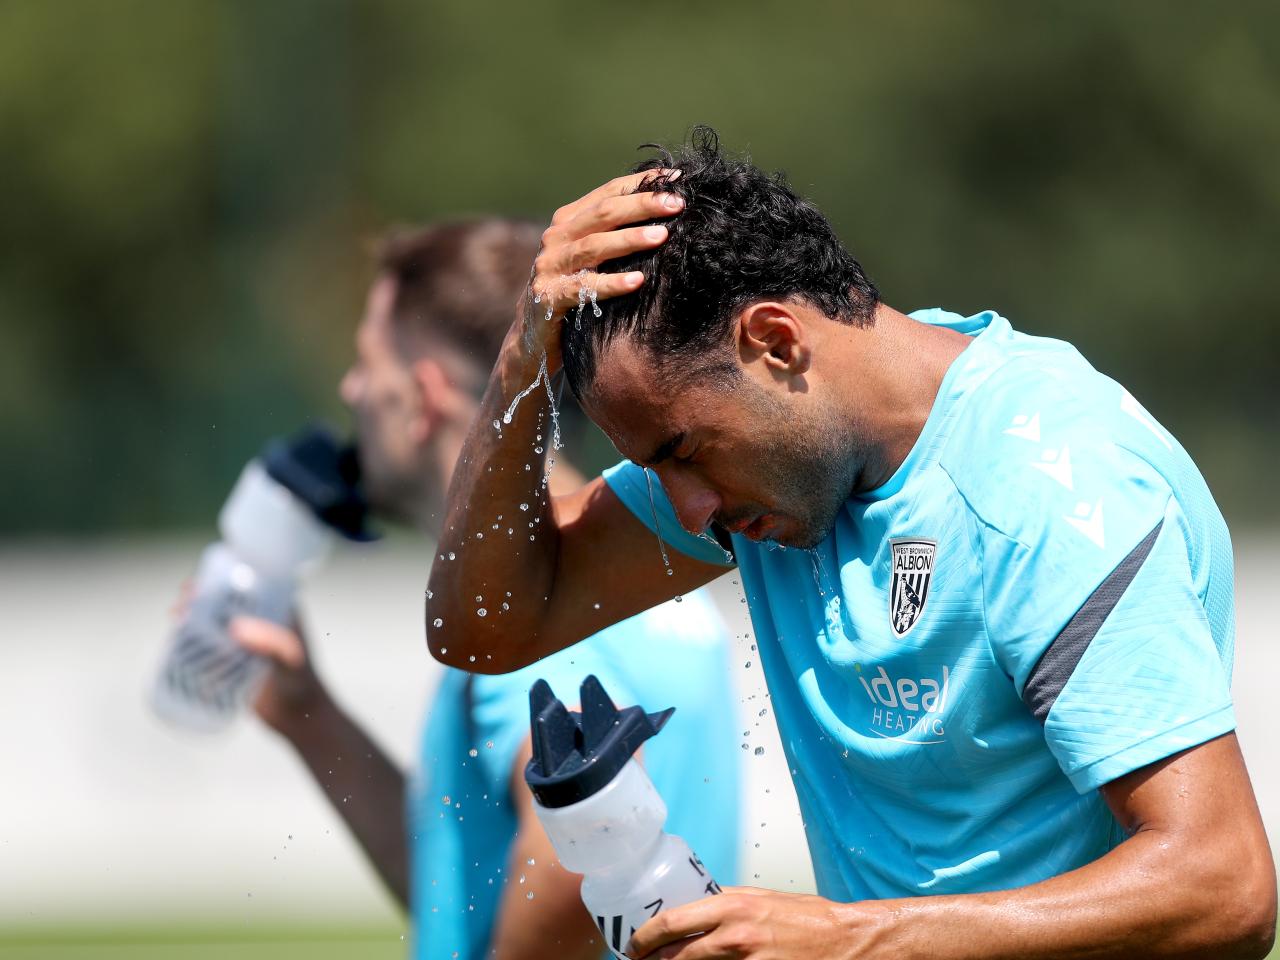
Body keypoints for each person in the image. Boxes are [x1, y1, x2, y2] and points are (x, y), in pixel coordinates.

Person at [426, 129, 1277, 959]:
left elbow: (1223, 886)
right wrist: (521, 358)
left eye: (681, 451)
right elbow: (483, 628)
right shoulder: (783, 455)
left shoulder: (1047, 491)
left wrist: (852, 938)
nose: (686, 512)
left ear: (776, 341)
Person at [226, 218, 740, 960]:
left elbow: (575, 856)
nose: (351, 389)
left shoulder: (517, 604)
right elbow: (471, 897)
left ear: (424, 397)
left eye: (368, 363)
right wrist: (310, 716)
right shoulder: (648, 573)